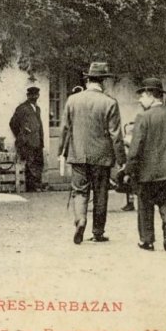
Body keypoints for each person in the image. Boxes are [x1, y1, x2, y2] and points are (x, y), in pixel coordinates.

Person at [59, 62, 127, 245]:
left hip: (78, 154)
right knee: (100, 193)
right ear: (103, 82)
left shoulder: (72, 100)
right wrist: (122, 160)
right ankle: (98, 232)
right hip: (102, 156)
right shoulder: (110, 103)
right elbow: (116, 135)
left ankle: (80, 220)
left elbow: (65, 128)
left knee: (79, 191)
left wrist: (61, 152)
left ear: (87, 80)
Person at [123, 78, 166, 252]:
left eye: (142, 96)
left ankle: (147, 240)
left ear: (151, 96)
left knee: (145, 204)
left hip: (147, 172)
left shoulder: (143, 118)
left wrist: (129, 170)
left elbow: (136, 147)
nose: (139, 100)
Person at [9, 86, 46, 192]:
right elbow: (13, 123)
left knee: (38, 163)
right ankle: (32, 187)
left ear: (38, 96)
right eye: (32, 95)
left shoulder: (37, 109)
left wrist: (41, 139)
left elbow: (39, 125)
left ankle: (37, 185)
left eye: (36, 94)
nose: (34, 97)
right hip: (28, 142)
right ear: (28, 96)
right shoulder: (22, 108)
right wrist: (21, 135)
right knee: (30, 164)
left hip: (38, 141)